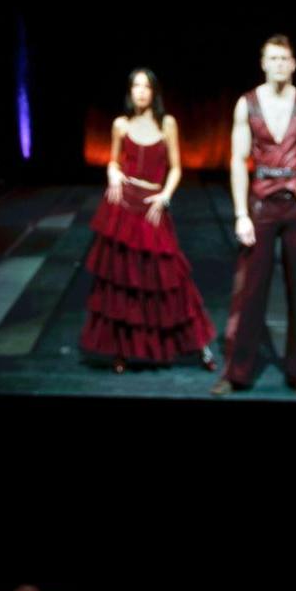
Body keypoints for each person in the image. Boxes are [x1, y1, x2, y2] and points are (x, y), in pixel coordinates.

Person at [213, 35, 296, 396]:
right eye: (273, 58)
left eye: (285, 59)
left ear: (293, 64)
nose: (279, 64)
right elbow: (237, 159)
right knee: (249, 291)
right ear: (263, 63)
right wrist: (240, 214)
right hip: (262, 204)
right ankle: (237, 372)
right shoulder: (246, 104)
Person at [82, 69, 215, 374]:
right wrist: (113, 173)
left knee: (169, 279)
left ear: (154, 92)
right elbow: (114, 161)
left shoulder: (167, 123)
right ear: (130, 91)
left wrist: (165, 195)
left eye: (146, 86)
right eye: (135, 86)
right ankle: (122, 349)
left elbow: (177, 168)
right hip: (124, 205)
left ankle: (199, 347)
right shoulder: (121, 124)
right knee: (123, 280)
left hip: (153, 206)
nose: (141, 92)